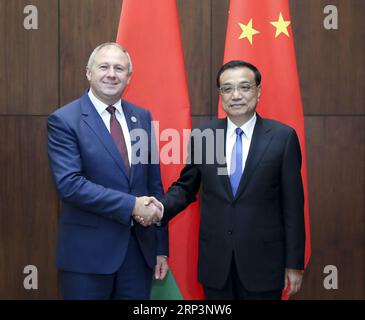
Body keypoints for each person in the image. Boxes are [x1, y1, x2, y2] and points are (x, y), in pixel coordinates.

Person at [145, 60, 305, 300]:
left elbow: (293, 207)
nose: (236, 95)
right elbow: (186, 187)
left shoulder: (283, 138)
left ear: (258, 91)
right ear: (220, 95)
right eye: (227, 89)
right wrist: (160, 208)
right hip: (216, 264)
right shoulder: (204, 136)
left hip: (264, 264)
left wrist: (294, 263)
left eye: (244, 87)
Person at [47, 42, 168, 300]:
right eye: (104, 67)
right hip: (87, 259)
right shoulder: (64, 120)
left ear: (129, 77)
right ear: (89, 73)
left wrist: (160, 248)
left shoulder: (142, 117)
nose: (111, 74)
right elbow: (70, 184)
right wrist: (132, 205)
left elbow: (153, 184)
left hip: (138, 255)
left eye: (119, 68)